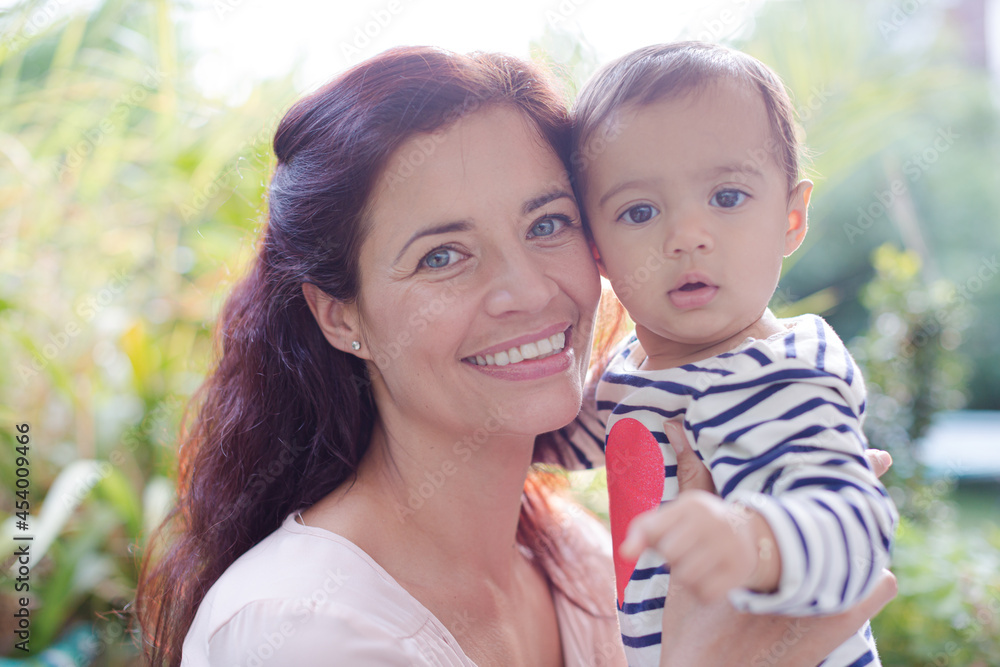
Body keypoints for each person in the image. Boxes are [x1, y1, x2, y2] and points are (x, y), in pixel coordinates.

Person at [135, 45, 896, 666]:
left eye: (547, 224)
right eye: (442, 255)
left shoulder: (583, 564)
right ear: (341, 316)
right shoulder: (300, 632)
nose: (528, 291)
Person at [561, 42, 900, 666]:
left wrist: (754, 541)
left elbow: (858, 530)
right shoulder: (629, 373)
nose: (687, 236)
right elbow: (554, 438)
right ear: (598, 253)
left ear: (792, 219)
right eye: (639, 211)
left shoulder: (782, 375)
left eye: (727, 197)